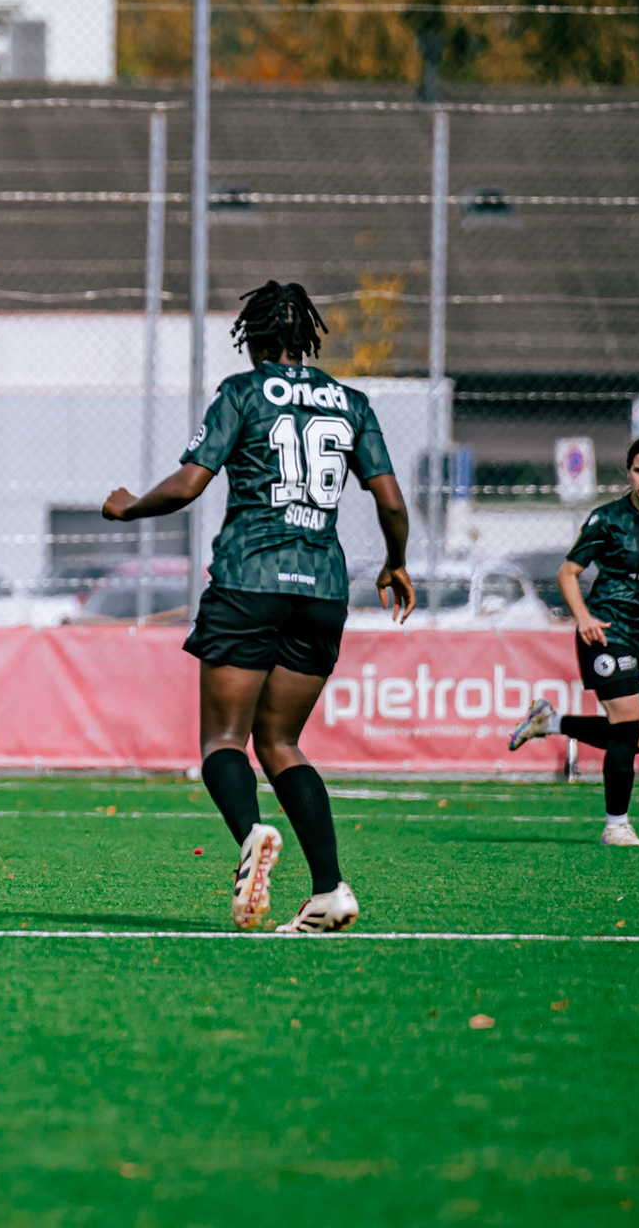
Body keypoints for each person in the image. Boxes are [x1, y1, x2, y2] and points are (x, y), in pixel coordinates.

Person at [102, 281, 415, 933]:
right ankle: (329, 889)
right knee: (280, 740)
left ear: (258, 341)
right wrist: (397, 562)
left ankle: (251, 834)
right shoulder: (351, 401)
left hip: (251, 579)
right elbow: (389, 499)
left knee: (223, 739)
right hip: (324, 591)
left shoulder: (243, 393)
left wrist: (128, 506)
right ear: (307, 338)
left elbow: (190, 483)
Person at [506, 436, 639, 845]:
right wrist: (583, 619)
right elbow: (567, 573)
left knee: (638, 738)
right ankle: (616, 825)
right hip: (606, 631)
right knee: (628, 723)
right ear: (629, 471)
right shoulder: (608, 520)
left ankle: (551, 722)